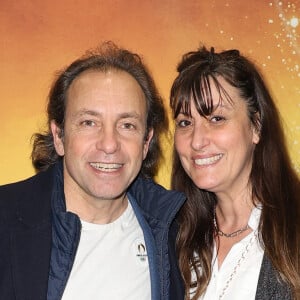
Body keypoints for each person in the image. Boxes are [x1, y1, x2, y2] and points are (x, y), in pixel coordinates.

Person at [0, 41, 186, 300]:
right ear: (58, 136)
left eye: (127, 125)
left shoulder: (175, 235)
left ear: (146, 143)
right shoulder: (6, 220)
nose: (109, 144)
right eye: (89, 122)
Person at [169, 46, 300, 299]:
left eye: (216, 118)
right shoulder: (172, 239)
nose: (197, 141)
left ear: (256, 126)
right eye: (185, 122)